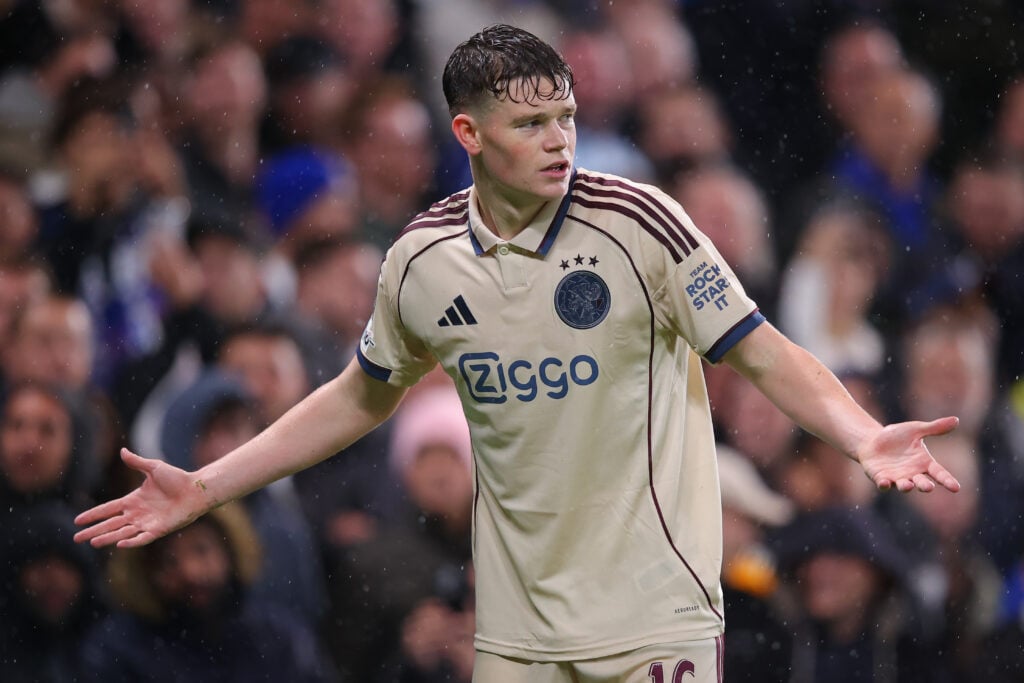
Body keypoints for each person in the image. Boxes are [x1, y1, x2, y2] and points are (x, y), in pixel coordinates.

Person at [75, 25, 961, 682]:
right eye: (532, 123)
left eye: (566, 117)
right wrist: (207, 484)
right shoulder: (420, 262)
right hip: (516, 632)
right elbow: (357, 396)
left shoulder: (640, 224)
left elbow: (762, 352)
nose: (560, 141)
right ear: (467, 134)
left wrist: (860, 432)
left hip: (654, 614)